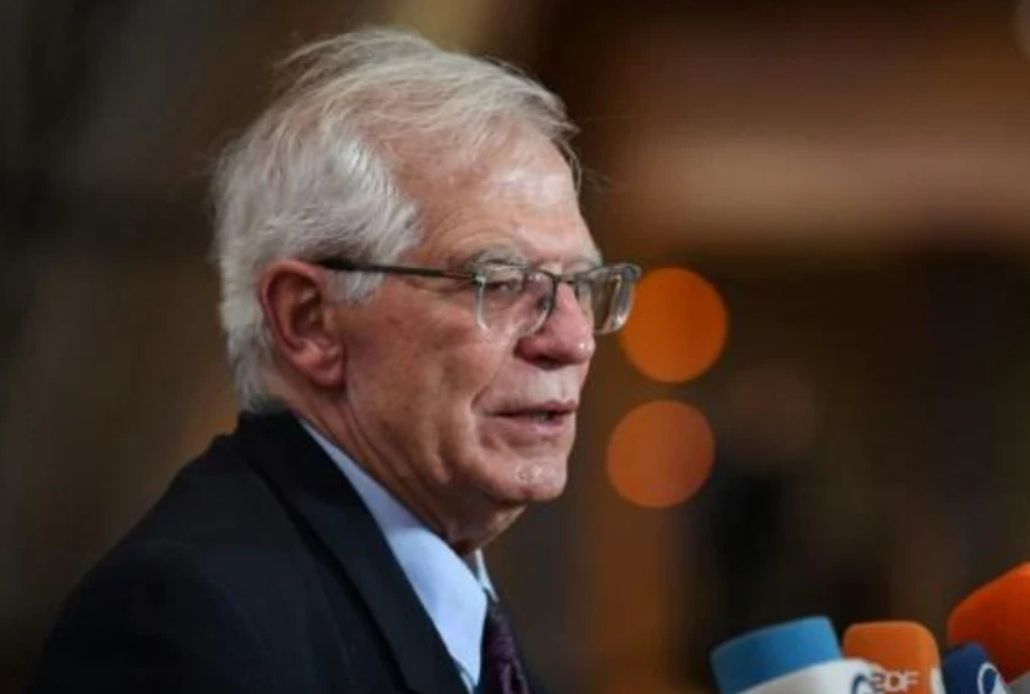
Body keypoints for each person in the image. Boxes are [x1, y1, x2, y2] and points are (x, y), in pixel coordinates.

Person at [29, 26, 640, 694]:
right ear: (310, 322)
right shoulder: (187, 621)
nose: (573, 341)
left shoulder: (453, 605)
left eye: (580, 284)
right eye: (498, 281)